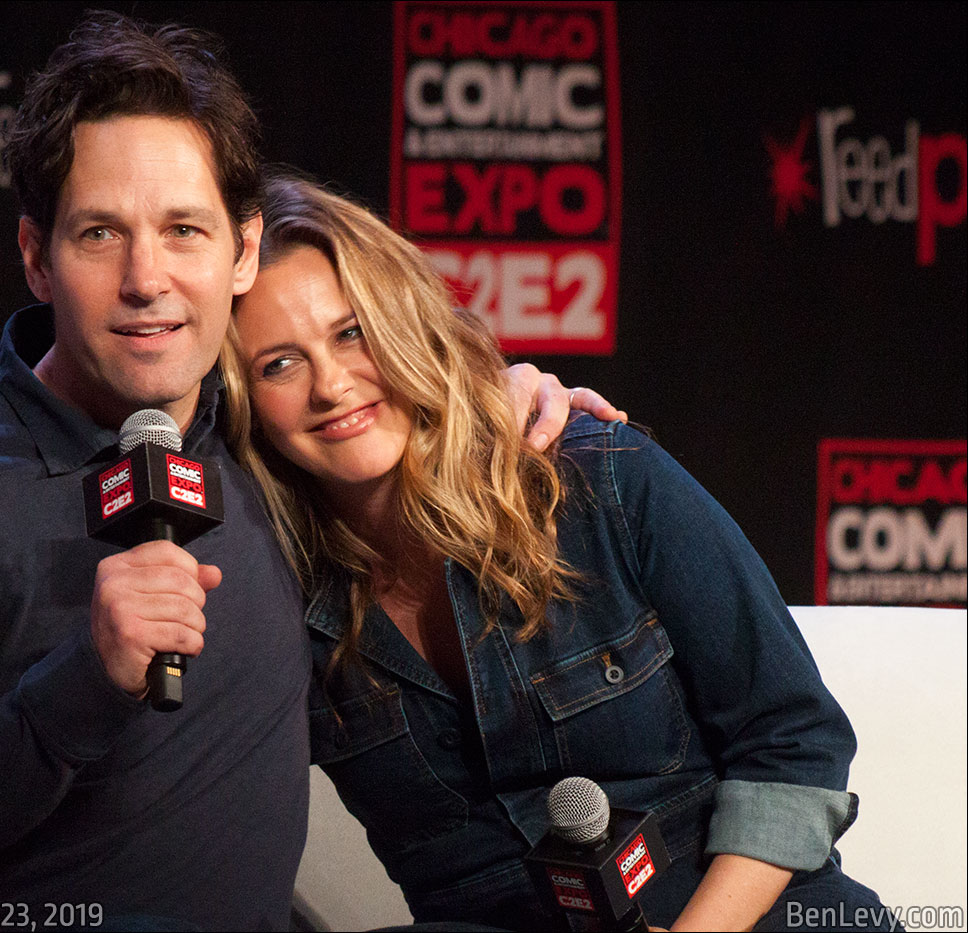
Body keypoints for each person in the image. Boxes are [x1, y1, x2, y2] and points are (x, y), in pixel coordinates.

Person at [0, 14, 615, 930]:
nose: (146, 278)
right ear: (37, 258)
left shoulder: (272, 439)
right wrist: (88, 679)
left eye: (184, 230)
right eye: (100, 235)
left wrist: (494, 398)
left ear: (241, 252)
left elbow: (381, 409)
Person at [221, 172, 897, 931]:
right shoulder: (271, 599)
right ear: (240, 403)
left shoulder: (595, 476)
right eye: (279, 363)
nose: (333, 385)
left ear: (406, 322)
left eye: (351, 332)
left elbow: (795, 746)